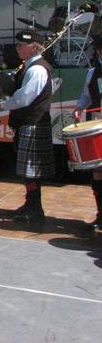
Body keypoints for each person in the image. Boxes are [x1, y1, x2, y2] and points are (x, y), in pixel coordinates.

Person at [0, 29, 54, 224]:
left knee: (31, 170)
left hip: (33, 123)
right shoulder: (28, 66)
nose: (17, 48)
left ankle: (35, 209)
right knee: (28, 170)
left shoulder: (37, 69)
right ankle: (31, 204)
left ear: (33, 47)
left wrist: (3, 104)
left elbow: (25, 97)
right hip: (27, 123)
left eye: (21, 45)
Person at [73, 34, 102, 231]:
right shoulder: (92, 73)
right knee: (98, 172)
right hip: (98, 126)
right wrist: (79, 107)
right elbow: (86, 96)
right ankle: (101, 214)